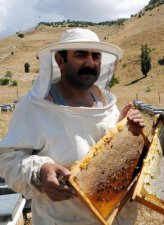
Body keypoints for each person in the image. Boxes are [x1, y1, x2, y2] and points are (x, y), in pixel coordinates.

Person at [0, 28, 144, 225]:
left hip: (114, 216)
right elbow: (8, 159)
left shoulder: (104, 100)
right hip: (61, 219)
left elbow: (103, 150)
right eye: (81, 55)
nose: (90, 63)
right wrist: (41, 171)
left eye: (96, 56)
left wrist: (124, 129)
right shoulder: (36, 106)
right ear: (60, 60)